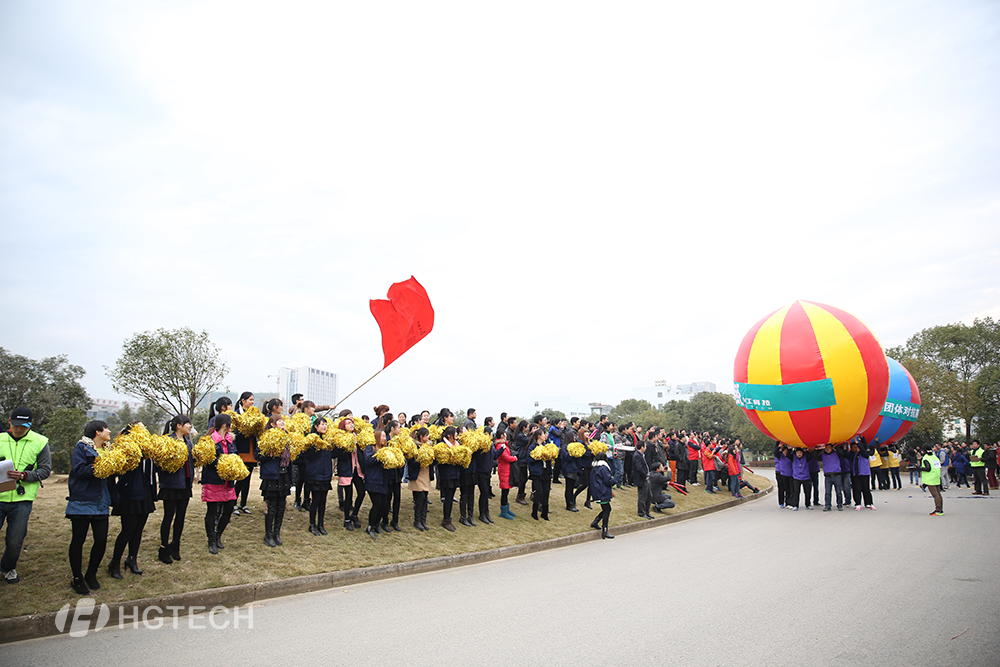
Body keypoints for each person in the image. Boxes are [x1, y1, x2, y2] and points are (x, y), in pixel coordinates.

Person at [0, 407, 52, 585]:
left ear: (30, 424)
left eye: (23, 425)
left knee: (15, 541)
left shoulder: (40, 441)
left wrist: (24, 476)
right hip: (0, 496)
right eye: (16, 425)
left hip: (22, 501)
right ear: (9, 421)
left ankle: (8, 567)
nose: (19, 429)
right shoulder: (0, 439)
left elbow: (45, 470)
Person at [66, 420, 113, 595]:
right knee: (78, 540)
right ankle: (77, 578)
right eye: (106, 428)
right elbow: (79, 470)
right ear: (97, 431)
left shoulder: (108, 449)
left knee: (101, 540)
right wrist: (101, 465)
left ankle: (91, 574)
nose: (109, 431)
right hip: (82, 502)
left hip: (101, 502)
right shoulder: (82, 448)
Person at [108, 422, 156, 578]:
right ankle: (114, 562)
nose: (145, 430)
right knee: (127, 530)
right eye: (141, 428)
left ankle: (132, 559)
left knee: (138, 530)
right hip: (130, 493)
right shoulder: (127, 449)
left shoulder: (147, 449)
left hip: (145, 493)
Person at [156, 415, 195, 564]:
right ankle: (163, 547)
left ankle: (175, 545)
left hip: (185, 483)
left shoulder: (188, 443)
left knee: (181, 516)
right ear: (178, 425)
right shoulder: (167, 441)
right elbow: (160, 464)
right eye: (187, 424)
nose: (189, 426)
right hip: (171, 484)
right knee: (169, 516)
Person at [202, 414, 237, 554]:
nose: (232, 426)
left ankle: (218, 536)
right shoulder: (210, 440)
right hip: (213, 480)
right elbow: (208, 461)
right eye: (230, 424)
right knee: (212, 512)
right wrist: (223, 463)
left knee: (229, 509)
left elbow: (235, 454)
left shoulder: (230, 440)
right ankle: (211, 540)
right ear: (224, 425)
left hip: (227, 482)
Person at [303, 417, 333, 536]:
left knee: (323, 501)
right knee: (315, 501)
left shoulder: (328, 439)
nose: (324, 426)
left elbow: (333, 455)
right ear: (315, 426)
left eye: (325, 424)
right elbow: (307, 456)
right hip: (315, 474)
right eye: (321, 424)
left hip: (326, 474)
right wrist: (314, 445)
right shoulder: (311, 439)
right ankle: (312, 524)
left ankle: (321, 524)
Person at [231, 392, 257, 517]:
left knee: (248, 478)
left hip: (252, 448)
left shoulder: (253, 414)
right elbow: (234, 432)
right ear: (243, 401)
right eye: (250, 400)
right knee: (240, 478)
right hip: (241, 449)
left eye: (253, 400)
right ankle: (233, 503)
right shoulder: (236, 414)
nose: (252, 402)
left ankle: (243, 503)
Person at [362, 427, 389, 539]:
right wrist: (379, 455)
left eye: (384, 436)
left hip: (384, 480)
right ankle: (370, 527)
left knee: (383, 505)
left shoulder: (386, 449)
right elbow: (367, 461)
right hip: (373, 480)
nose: (384, 438)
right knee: (377, 504)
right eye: (382, 436)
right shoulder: (370, 448)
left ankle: (377, 525)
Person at [407, 427, 434, 531]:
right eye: (426, 435)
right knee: (420, 498)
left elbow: (433, 461)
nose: (428, 437)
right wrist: (420, 460)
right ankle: (417, 521)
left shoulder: (430, 446)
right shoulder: (414, 446)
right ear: (421, 437)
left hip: (426, 474)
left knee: (425, 498)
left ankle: (423, 521)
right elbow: (410, 461)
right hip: (417, 475)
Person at [437, 426, 461, 532]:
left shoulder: (456, 445)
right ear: (449, 435)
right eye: (455, 433)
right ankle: (446, 520)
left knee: (451, 497)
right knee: (448, 498)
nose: (457, 435)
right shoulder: (442, 446)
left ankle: (448, 519)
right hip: (447, 476)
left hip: (455, 475)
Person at [527, 428, 552, 521]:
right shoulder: (532, 446)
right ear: (538, 436)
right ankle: (534, 511)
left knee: (546, 492)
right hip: (537, 473)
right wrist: (538, 456)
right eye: (543, 434)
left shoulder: (546, 446)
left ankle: (544, 513)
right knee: (539, 492)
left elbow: (549, 459)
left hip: (546, 472)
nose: (545, 436)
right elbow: (529, 459)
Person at [588, 452, 615, 539]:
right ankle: (605, 530)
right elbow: (608, 481)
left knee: (606, 509)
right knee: (607, 509)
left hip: (597, 492)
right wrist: (614, 480)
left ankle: (595, 522)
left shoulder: (594, 468)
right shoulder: (603, 468)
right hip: (602, 492)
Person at [495, 430, 518, 520]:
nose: (506, 436)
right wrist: (514, 458)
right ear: (501, 436)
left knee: (507, 490)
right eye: (504, 434)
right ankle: (503, 511)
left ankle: (506, 509)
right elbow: (505, 457)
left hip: (507, 469)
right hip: (504, 469)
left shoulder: (504, 444)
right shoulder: (500, 445)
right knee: (504, 491)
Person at [819, 443, 845, 511]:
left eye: (829, 447)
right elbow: (816, 457)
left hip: (837, 475)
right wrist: (816, 449)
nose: (827, 449)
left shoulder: (837, 454)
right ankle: (827, 505)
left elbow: (842, 453)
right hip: (828, 476)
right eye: (826, 447)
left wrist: (836, 446)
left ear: (832, 448)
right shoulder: (823, 455)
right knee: (827, 492)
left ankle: (839, 505)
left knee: (838, 492)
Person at [919, 446, 944, 516]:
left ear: (923, 451)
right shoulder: (934, 457)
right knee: (938, 494)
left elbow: (928, 468)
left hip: (930, 478)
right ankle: (940, 509)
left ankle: (938, 510)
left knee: (935, 495)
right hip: (936, 477)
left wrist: (919, 467)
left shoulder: (926, 458)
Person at [632, 440, 651, 519]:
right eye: (645, 446)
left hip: (646, 477)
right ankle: (641, 512)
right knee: (642, 496)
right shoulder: (637, 455)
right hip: (641, 478)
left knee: (649, 496)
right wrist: (644, 476)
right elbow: (639, 468)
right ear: (642, 447)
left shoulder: (642, 455)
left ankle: (647, 511)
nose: (646, 448)